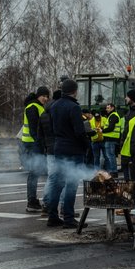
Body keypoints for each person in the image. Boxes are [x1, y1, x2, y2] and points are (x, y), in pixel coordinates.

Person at [44, 79, 91, 228]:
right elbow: (79, 131)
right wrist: (87, 146)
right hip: (73, 150)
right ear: (75, 91)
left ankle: (52, 216)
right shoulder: (74, 107)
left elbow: (52, 128)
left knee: (57, 184)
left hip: (59, 148)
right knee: (71, 184)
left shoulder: (54, 105)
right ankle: (69, 218)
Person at [22, 86, 50, 212]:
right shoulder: (33, 107)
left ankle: (33, 201)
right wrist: (41, 144)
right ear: (38, 96)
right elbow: (34, 129)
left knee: (36, 172)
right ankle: (32, 201)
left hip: (34, 143)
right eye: (43, 96)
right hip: (33, 144)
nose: (46, 98)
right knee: (34, 172)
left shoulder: (38, 106)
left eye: (47, 96)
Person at [37, 88, 62, 214]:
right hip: (61, 149)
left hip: (49, 150)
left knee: (51, 178)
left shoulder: (44, 114)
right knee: (65, 177)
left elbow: (39, 134)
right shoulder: (58, 112)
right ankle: (64, 208)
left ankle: (46, 204)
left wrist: (45, 147)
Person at [121, 88, 135, 180]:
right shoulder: (130, 111)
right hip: (126, 149)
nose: (125, 98)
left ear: (132, 98)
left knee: (134, 181)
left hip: (134, 151)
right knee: (128, 181)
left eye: (127, 96)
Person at [101, 103, 122, 173]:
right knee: (110, 155)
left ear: (112, 108)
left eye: (108, 108)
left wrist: (102, 130)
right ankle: (113, 171)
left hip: (111, 139)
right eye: (106, 108)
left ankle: (113, 171)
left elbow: (111, 128)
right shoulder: (112, 115)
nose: (106, 109)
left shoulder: (113, 116)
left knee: (110, 155)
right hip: (111, 138)